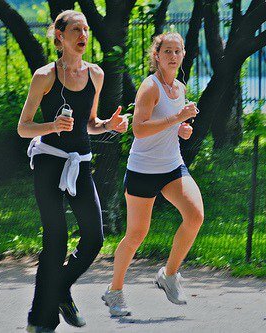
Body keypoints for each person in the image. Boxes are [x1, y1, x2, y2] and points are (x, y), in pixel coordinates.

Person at [17, 10, 128, 332]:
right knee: (56, 241)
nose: (83, 35)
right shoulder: (45, 76)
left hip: (79, 163)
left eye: (86, 29)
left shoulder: (96, 74)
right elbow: (24, 127)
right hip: (49, 161)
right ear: (59, 36)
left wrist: (109, 125)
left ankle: (61, 289)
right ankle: (42, 321)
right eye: (76, 29)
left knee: (94, 237)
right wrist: (51, 125)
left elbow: (90, 124)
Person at [102, 32, 204, 316]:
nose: (173, 56)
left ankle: (169, 275)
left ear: (183, 55)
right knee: (136, 234)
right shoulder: (150, 87)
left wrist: (182, 129)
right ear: (156, 56)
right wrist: (177, 119)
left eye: (178, 51)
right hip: (143, 170)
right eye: (167, 51)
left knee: (195, 216)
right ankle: (114, 291)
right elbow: (139, 129)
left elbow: (173, 126)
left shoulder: (179, 88)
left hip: (171, 166)